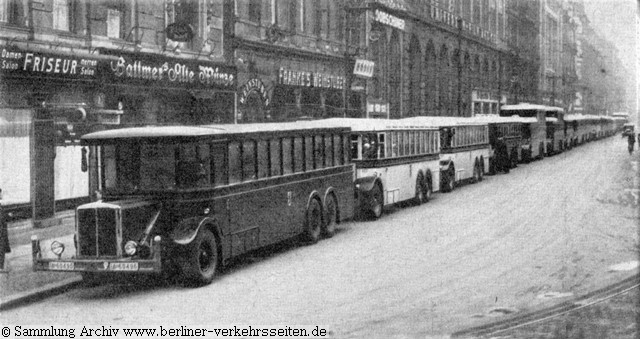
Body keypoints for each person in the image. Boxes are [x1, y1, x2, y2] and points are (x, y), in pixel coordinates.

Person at [0, 188, 10, 270]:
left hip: (2, 231)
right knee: (1, 250)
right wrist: (8, 216)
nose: (2, 194)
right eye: (1, 193)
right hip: (1, 233)